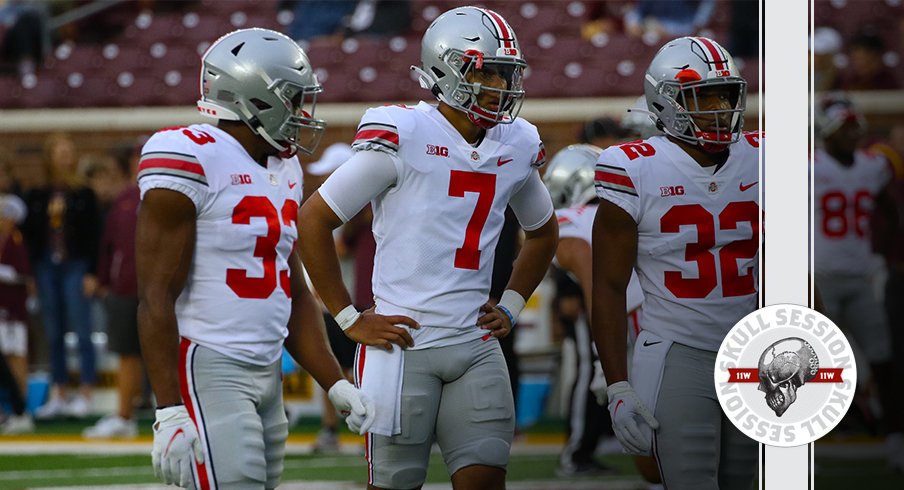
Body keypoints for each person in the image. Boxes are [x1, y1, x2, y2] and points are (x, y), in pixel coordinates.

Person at [298, 6, 558, 489]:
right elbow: (313, 219)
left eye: (506, 75)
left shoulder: (517, 142)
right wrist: (348, 317)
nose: (503, 87)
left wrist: (514, 302)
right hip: (402, 343)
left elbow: (543, 231)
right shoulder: (404, 133)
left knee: (485, 481)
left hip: (476, 344)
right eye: (489, 74)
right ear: (446, 70)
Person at [136, 28, 375, 488]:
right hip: (208, 362)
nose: (303, 112)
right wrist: (168, 409)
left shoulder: (284, 167)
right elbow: (154, 295)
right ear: (253, 98)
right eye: (293, 98)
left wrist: (335, 382)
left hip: (267, 372)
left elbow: (291, 288)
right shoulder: (189, 155)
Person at [591, 36, 760, 490]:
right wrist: (618, 387)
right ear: (665, 102)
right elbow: (607, 285)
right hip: (677, 351)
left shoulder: (766, 156)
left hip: (756, 346)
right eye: (702, 96)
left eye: (725, 95)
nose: (719, 108)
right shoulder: (633, 167)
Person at [813, 93, 902, 471]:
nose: (851, 136)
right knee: (804, 364)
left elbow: (889, 209)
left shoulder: (872, 166)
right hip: (819, 277)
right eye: (843, 129)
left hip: (861, 276)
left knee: (883, 360)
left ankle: (896, 439)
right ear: (826, 133)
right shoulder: (807, 167)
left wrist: (880, 246)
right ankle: (800, 441)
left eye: (854, 129)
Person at [22, 131, 99, 420]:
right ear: (50, 157)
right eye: (60, 151)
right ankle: (60, 391)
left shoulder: (84, 194)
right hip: (46, 266)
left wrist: (92, 271)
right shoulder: (37, 194)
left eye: (69, 151)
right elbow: (30, 236)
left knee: (82, 329)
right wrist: (30, 273)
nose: (66, 157)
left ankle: (87, 391)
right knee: (52, 331)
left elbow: (94, 236)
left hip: (76, 265)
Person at [83, 141, 143, 439]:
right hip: (125, 287)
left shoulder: (165, 197)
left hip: (161, 288)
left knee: (174, 353)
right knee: (127, 353)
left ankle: (180, 413)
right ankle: (124, 414)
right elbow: (108, 244)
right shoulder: (125, 199)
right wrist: (103, 278)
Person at [0, 192, 33, 434]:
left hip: (13, 310)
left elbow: (24, 273)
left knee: (16, 357)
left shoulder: (16, 239)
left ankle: (22, 409)